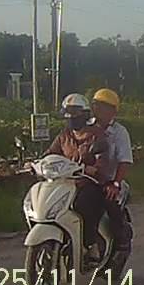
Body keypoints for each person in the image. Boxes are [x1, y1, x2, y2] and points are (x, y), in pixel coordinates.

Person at [44, 93, 112, 261]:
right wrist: (36, 164)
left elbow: (103, 161)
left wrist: (93, 169)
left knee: (83, 203)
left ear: (85, 114)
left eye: (74, 113)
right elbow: (50, 154)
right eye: (67, 113)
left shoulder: (97, 136)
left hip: (90, 183)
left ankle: (91, 245)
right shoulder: (64, 136)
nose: (70, 117)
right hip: (65, 183)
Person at [90, 88, 133, 254]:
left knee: (109, 201)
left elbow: (125, 161)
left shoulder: (119, 132)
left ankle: (121, 240)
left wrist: (115, 183)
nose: (98, 109)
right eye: (96, 104)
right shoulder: (87, 127)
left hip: (109, 181)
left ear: (113, 111)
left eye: (103, 106)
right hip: (87, 178)